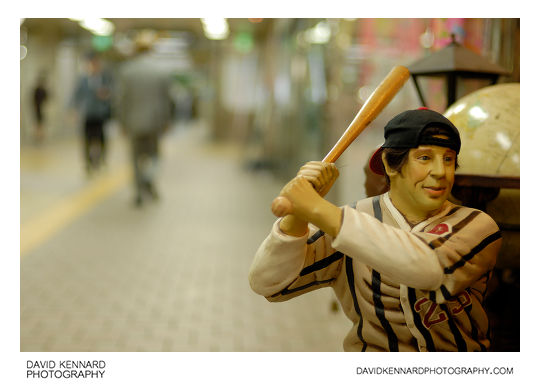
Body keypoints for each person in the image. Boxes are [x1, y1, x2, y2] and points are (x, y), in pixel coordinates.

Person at [248, 108, 502, 352]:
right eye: (424, 158)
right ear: (390, 165)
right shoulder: (353, 218)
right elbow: (267, 283)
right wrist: (297, 216)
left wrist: (317, 209)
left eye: (448, 159)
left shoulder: (477, 225)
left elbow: (428, 268)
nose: (440, 172)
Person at [116, 36, 173, 207]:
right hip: (156, 122)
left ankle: (139, 191)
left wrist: (122, 122)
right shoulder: (161, 71)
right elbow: (167, 100)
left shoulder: (127, 71)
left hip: (133, 122)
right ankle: (149, 180)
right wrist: (167, 121)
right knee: (154, 155)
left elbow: (121, 100)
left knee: (135, 157)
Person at [71, 52, 113, 174]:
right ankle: (88, 162)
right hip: (88, 113)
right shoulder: (83, 79)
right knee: (87, 139)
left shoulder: (105, 78)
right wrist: (73, 109)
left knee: (101, 138)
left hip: (101, 114)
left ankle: (101, 160)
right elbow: (76, 95)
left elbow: (114, 92)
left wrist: (107, 95)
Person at [32, 73, 48, 143]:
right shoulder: (37, 89)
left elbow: (47, 98)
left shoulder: (44, 90)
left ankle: (40, 135)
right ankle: (38, 135)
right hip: (38, 108)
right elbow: (33, 100)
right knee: (38, 122)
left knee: (41, 122)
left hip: (43, 108)